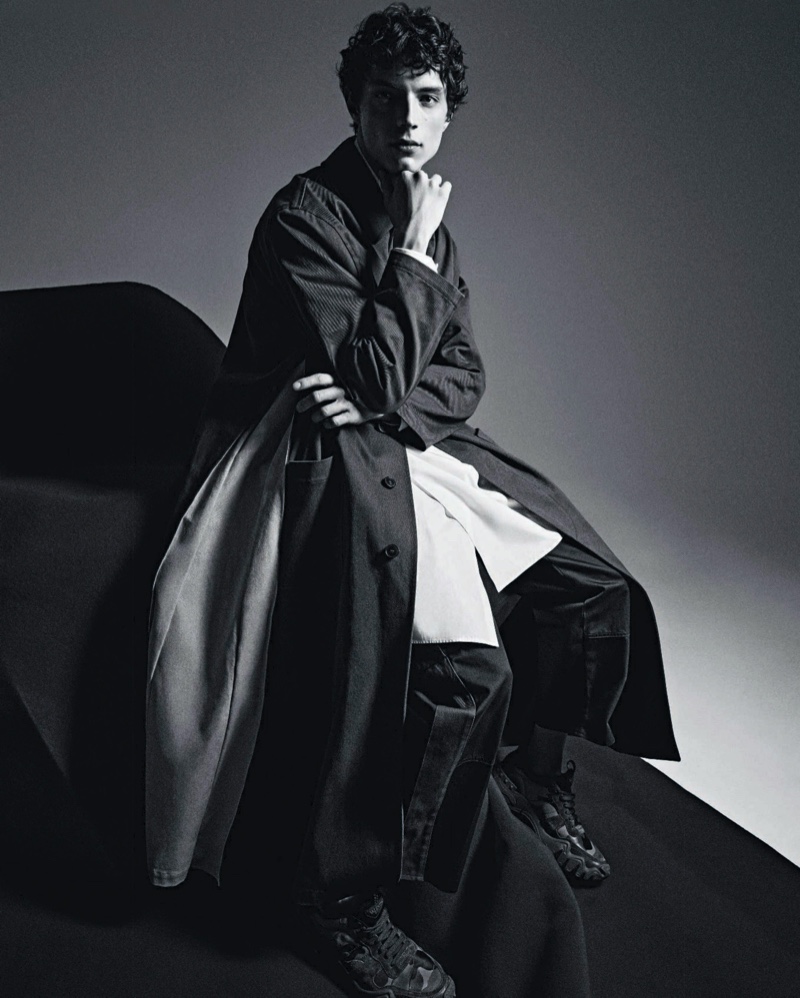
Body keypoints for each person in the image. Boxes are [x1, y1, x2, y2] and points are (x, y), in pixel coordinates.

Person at [145, 5, 679, 996]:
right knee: (435, 659)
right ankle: (339, 899)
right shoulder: (304, 215)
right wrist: (412, 275)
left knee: (590, 585)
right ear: (353, 107)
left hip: (396, 439)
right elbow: (376, 372)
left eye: (426, 98)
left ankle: (537, 775)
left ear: (447, 111)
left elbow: (457, 373)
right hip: (300, 453)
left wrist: (386, 382)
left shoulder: (427, 214)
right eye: (385, 98)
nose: (406, 117)